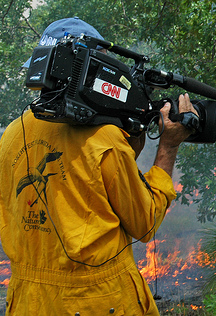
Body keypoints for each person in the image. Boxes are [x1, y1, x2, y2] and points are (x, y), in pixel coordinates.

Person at [0, 17, 197, 315]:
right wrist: (168, 147)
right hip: (97, 302)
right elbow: (144, 224)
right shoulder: (103, 137)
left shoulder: (12, 135)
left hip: (29, 302)